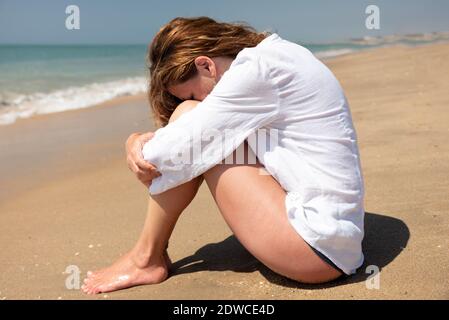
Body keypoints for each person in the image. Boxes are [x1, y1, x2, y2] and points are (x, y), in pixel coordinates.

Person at [82, 16, 365, 295]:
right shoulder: (278, 55)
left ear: (205, 65)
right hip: (334, 240)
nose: (199, 99)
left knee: (188, 117)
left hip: (314, 249)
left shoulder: (256, 70)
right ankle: (147, 256)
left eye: (192, 91)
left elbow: (164, 154)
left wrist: (133, 141)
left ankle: (145, 258)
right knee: (194, 127)